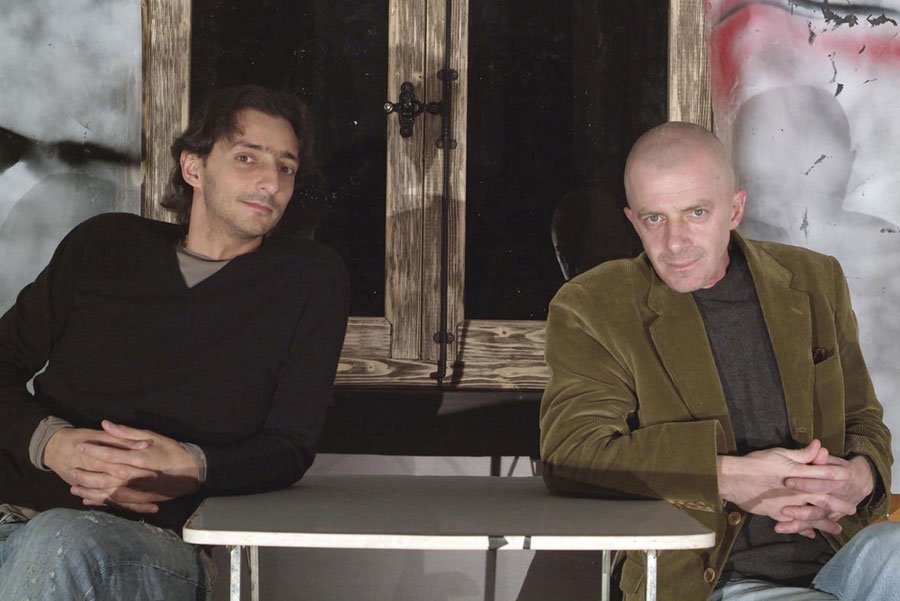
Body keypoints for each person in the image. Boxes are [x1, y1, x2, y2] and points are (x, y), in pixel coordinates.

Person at [0, 85, 350, 600]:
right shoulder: (105, 244)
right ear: (193, 167)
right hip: (13, 513)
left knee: (62, 541)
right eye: (247, 158)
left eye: (286, 167)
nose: (270, 182)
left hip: (147, 544)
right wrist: (50, 443)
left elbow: (290, 446)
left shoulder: (307, 279)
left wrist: (189, 464)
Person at [540, 121, 896, 601]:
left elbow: (863, 421)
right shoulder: (594, 305)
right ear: (632, 220)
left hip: (838, 558)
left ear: (735, 209)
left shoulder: (815, 279)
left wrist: (860, 477)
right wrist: (728, 476)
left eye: (696, 212)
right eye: (654, 218)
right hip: (712, 580)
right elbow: (570, 454)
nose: (675, 242)